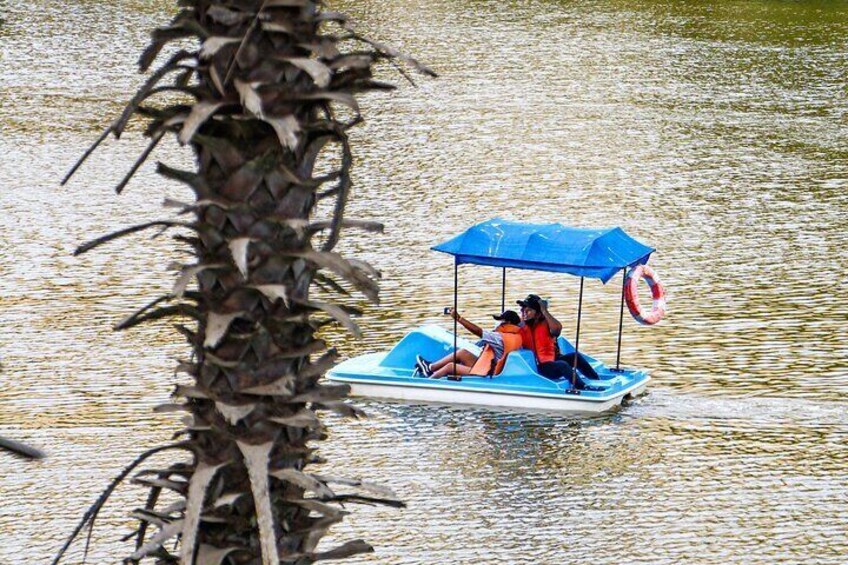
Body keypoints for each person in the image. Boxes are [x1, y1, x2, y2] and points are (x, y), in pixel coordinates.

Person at [516, 294, 600, 388]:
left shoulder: (546, 322)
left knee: (575, 357)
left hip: (551, 361)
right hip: (539, 367)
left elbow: (556, 330)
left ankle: (596, 380)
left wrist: (545, 311)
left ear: (539, 313)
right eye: (523, 310)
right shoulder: (521, 326)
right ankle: (582, 387)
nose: (524, 313)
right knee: (562, 365)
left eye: (528, 311)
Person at [415, 309, 522, 379]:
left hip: (489, 373)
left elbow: (478, 331)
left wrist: (459, 319)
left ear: (507, 323)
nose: (498, 324)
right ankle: (430, 368)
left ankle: (429, 382)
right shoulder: (516, 336)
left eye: (500, 321)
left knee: (450, 367)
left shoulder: (499, 337)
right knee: (463, 353)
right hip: (495, 368)